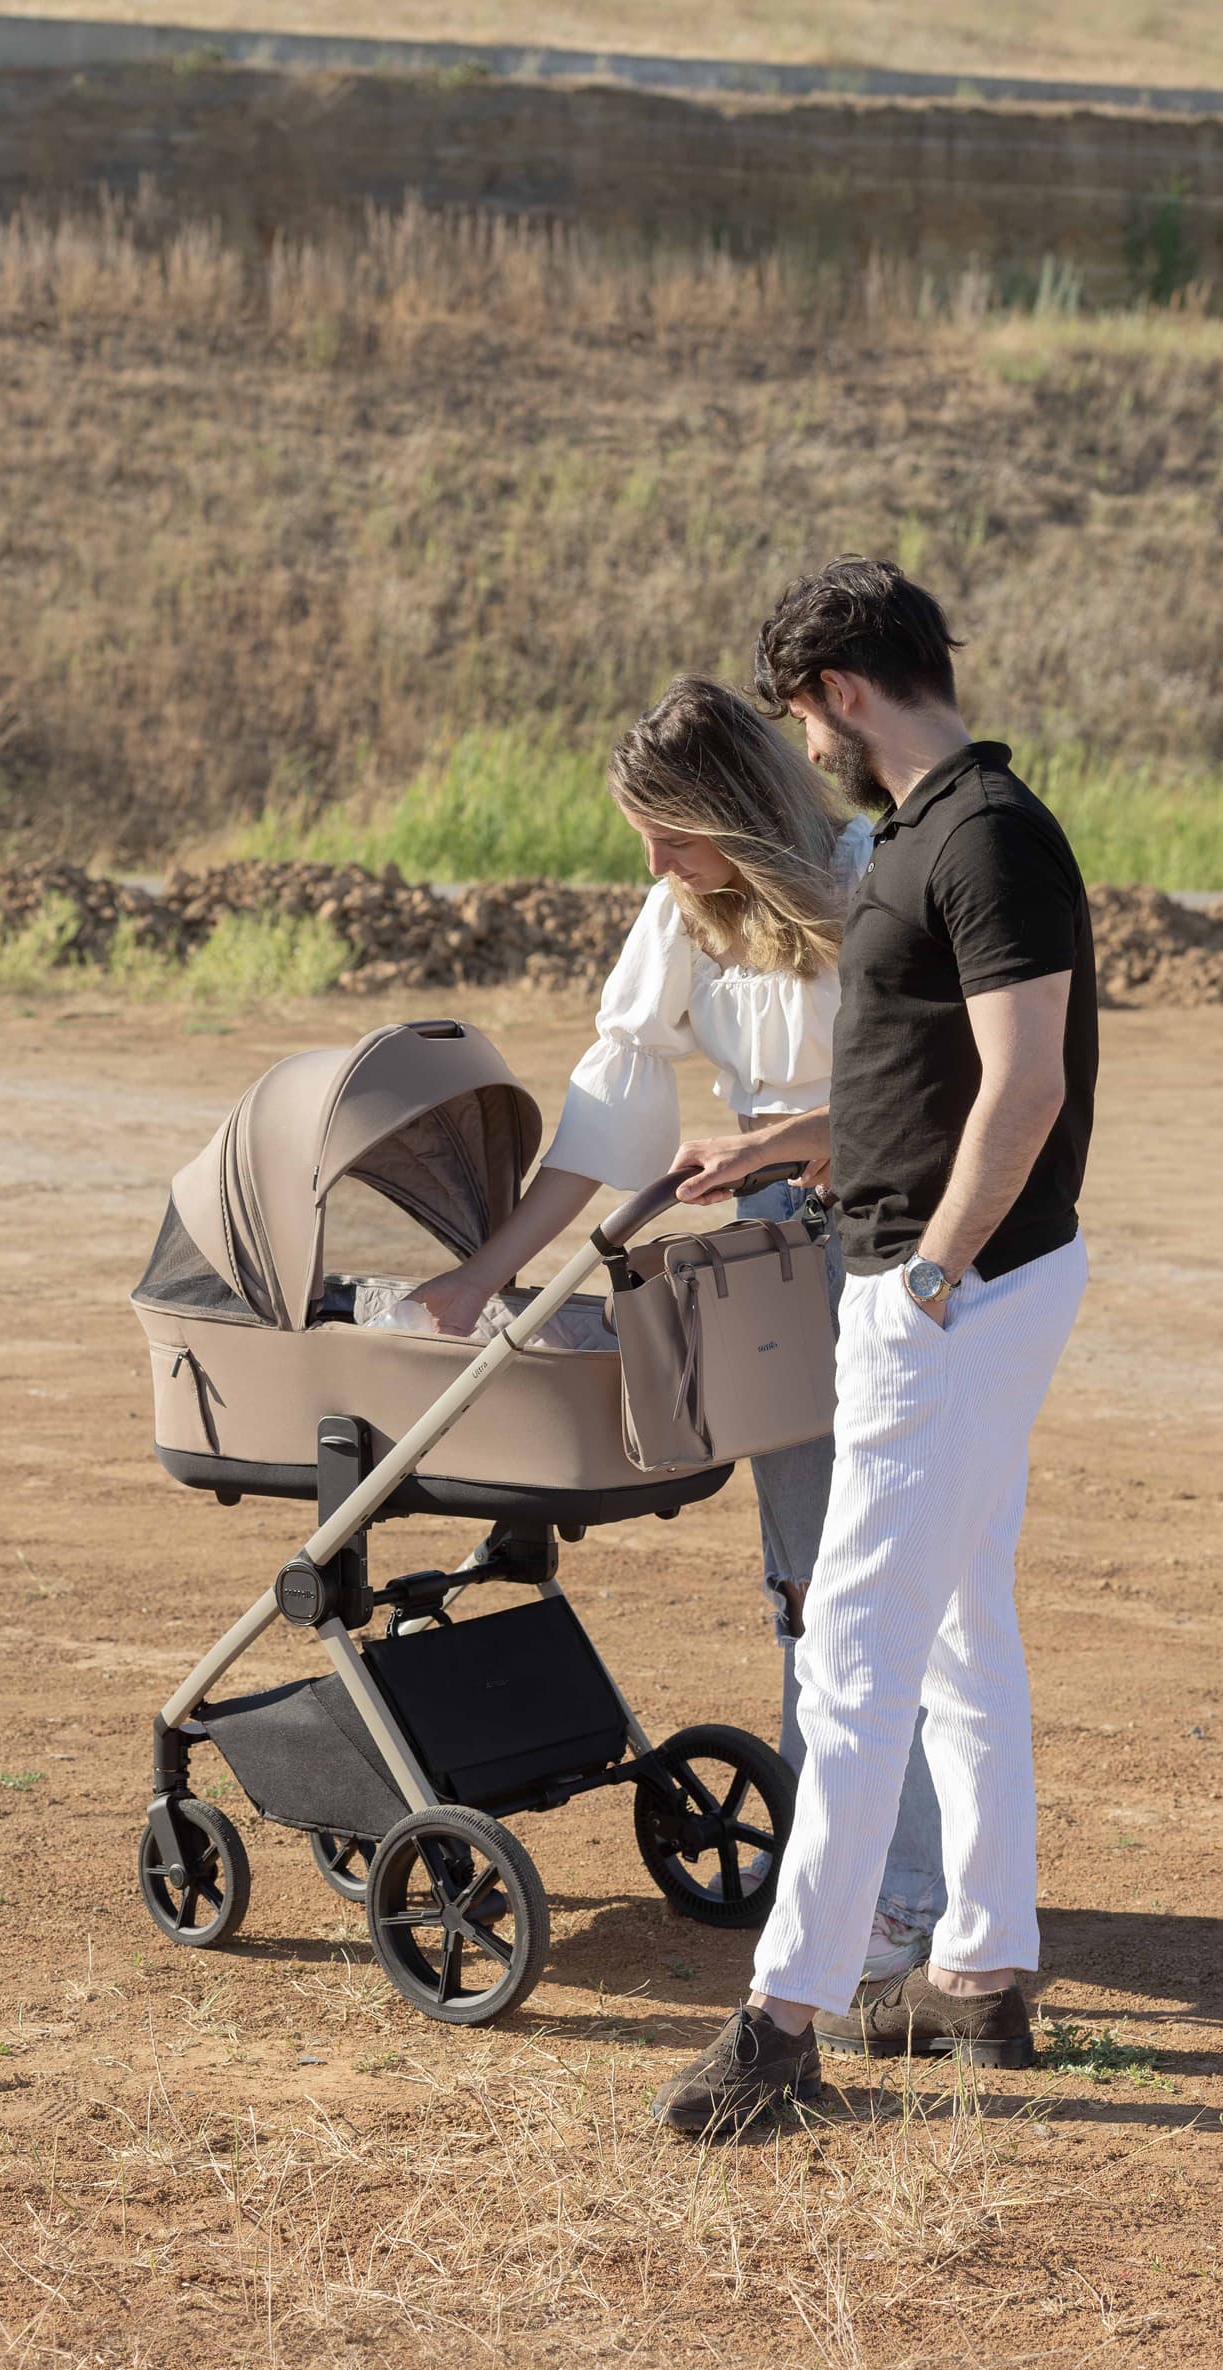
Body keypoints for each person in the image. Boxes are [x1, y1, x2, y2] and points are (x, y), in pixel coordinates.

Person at [649, 558, 1099, 2137]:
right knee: (962, 1628)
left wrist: (928, 1277)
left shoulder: (986, 836)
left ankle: (779, 2025)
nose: (806, 747)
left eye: (801, 716)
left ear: (840, 690)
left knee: (848, 1651)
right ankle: (978, 1969)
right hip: (939, 1280)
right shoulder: (922, 831)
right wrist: (785, 1142)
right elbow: (926, 1084)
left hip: (950, 1296)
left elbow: (1022, 1085)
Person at [409, 673, 945, 1980]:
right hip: (769, 1257)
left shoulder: (880, 873)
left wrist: (792, 1143)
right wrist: (485, 1275)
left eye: (669, 833)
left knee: (885, 1572)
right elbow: (614, 1106)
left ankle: (902, 1889)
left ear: (737, 808)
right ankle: (846, 1868)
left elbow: (938, 1081)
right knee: (807, 1578)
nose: (651, 863)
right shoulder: (684, 913)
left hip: (898, 1234)